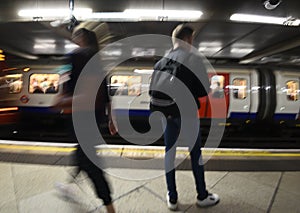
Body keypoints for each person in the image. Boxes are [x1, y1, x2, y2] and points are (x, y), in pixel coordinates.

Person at [150, 24, 220, 210]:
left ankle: (172, 198)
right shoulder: (193, 58)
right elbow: (203, 91)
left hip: (167, 114)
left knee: (169, 153)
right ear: (188, 39)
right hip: (187, 114)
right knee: (195, 153)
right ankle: (202, 196)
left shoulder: (160, 62)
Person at [57, 28, 116, 213]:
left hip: (80, 118)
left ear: (80, 37)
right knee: (82, 154)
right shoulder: (98, 59)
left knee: (91, 163)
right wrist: (111, 118)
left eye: (75, 35)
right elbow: (106, 95)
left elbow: (85, 95)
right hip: (94, 119)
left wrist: (62, 100)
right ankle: (68, 186)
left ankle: (110, 206)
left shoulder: (76, 56)